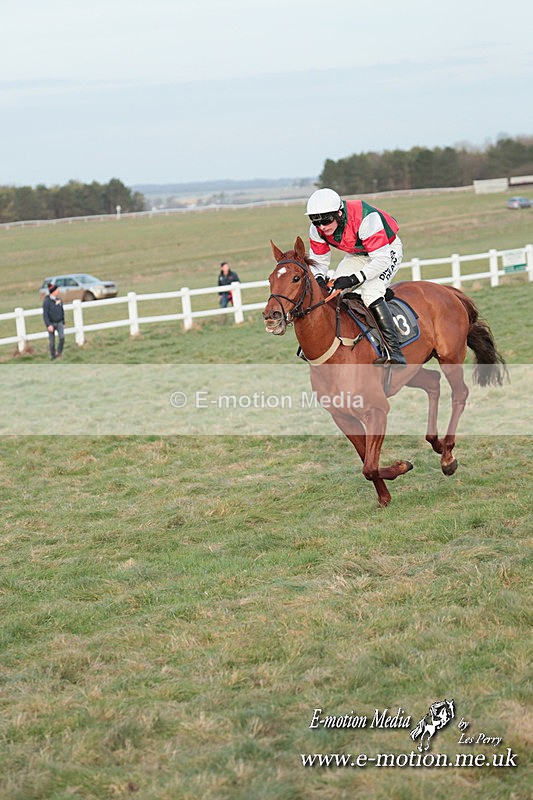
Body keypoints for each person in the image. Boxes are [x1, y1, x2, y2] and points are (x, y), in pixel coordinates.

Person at [306, 187, 407, 366]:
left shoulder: (366, 219)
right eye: (316, 222)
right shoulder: (317, 230)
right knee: (334, 291)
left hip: (386, 252)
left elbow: (381, 260)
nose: (322, 227)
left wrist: (354, 279)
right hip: (358, 255)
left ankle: (395, 351)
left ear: (339, 212)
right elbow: (318, 260)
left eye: (327, 221)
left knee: (371, 293)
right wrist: (320, 278)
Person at [42, 283, 65, 360]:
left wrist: (63, 321)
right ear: (53, 291)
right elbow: (45, 314)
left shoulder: (59, 300)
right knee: (52, 342)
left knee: (62, 338)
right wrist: (48, 325)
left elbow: (62, 311)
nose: (58, 291)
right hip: (51, 323)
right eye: (57, 289)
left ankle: (59, 352)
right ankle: (53, 356)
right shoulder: (47, 301)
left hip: (59, 322)